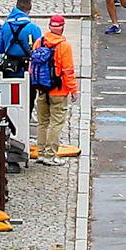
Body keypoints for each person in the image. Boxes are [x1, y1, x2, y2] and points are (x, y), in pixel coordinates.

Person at [29, 13, 78, 162]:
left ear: (50, 27)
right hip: (59, 90)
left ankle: (41, 152)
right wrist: (73, 90)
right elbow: (68, 71)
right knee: (56, 122)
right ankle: (51, 155)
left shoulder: (40, 42)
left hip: (42, 88)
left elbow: (32, 66)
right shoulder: (64, 46)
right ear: (62, 27)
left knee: (42, 122)